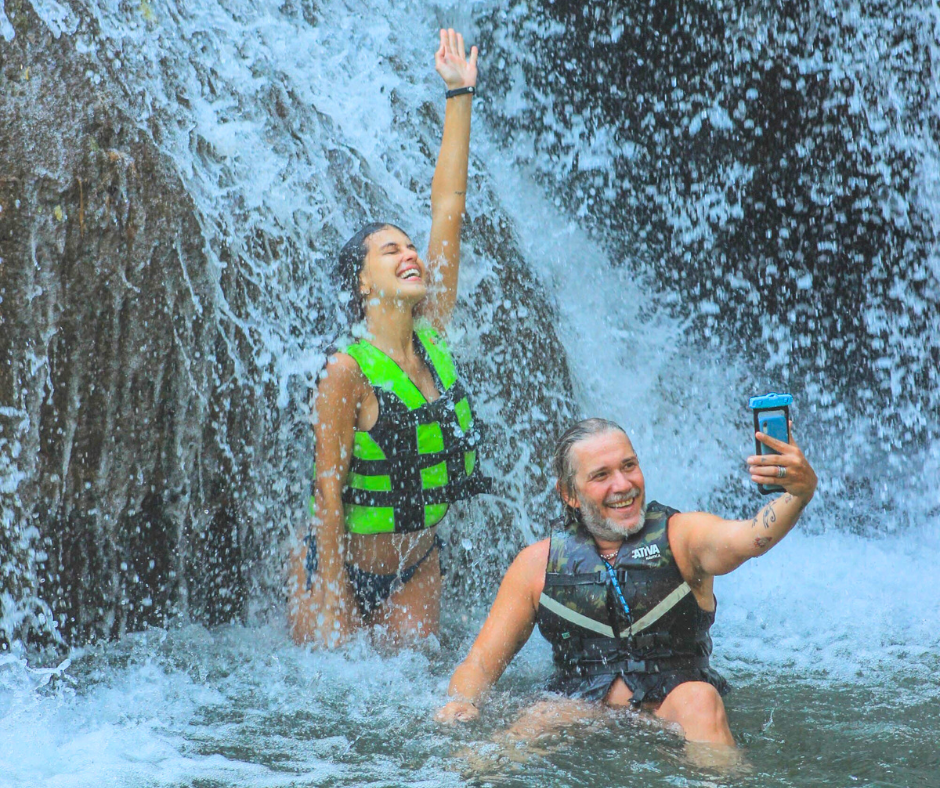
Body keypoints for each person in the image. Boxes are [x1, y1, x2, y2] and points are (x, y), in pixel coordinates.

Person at [438, 417, 817, 747]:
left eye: (629, 466)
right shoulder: (535, 566)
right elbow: (481, 664)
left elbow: (751, 537)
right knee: (524, 728)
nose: (623, 485)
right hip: (579, 708)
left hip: (671, 705)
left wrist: (798, 493)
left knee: (702, 700)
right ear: (569, 494)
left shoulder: (683, 537)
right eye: (601, 475)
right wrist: (462, 702)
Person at [288, 29, 488, 648]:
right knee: (332, 708)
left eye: (409, 246)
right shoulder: (348, 371)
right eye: (389, 250)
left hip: (414, 566)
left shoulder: (433, 332)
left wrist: (460, 94)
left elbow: (447, 204)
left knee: (410, 704)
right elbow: (328, 484)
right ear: (361, 282)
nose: (409, 254)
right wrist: (332, 590)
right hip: (339, 565)